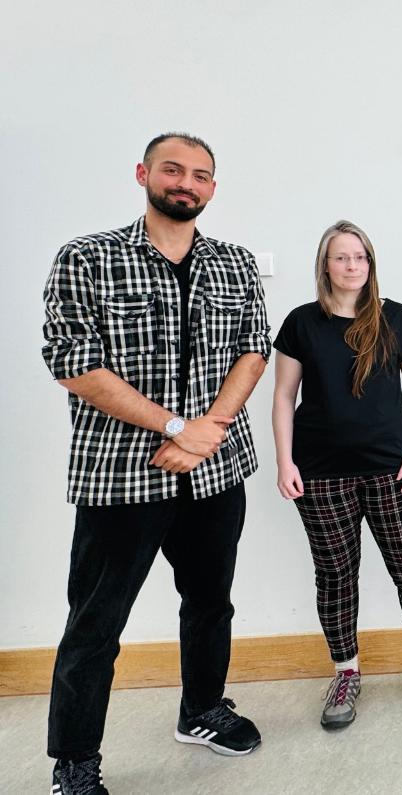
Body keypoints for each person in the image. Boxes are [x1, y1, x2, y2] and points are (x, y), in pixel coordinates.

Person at [41, 133, 270, 794]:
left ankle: (201, 710)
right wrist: (175, 426)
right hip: (122, 474)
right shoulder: (88, 258)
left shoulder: (235, 263)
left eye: (200, 174)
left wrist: (208, 431)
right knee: (95, 623)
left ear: (212, 189)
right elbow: (72, 361)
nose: (186, 183)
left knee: (209, 602)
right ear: (144, 173)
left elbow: (254, 347)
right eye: (173, 169)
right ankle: (76, 762)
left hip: (217, 470)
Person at [272, 220, 402, 729]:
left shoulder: (395, 318)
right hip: (319, 476)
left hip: (392, 470)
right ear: (325, 265)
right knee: (336, 576)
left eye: (359, 257)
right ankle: (345, 672)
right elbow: (283, 397)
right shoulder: (301, 323)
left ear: (371, 264)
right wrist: (285, 460)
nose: (351, 265)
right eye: (341, 257)